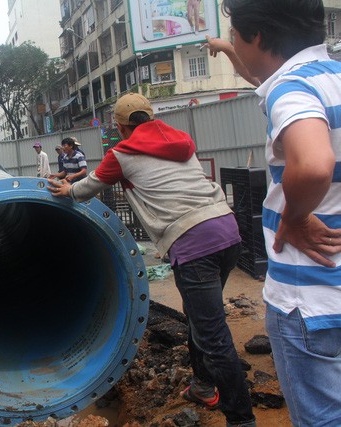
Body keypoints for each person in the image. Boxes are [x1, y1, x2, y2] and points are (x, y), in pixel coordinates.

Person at [48, 93, 256, 427]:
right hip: (226, 229)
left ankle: (241, 419)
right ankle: (203, 386)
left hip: (193, 242)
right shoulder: (181, 141)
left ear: (119, 125)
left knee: (213, 335)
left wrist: (66, 191)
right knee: (200, 317)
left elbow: (89, 188)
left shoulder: (122, 153)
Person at [216, 1, 341, 425]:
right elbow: (258, 74)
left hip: (309, 299)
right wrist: (228, 48)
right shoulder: (333, 79)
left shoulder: (292, 90)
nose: (234, 41)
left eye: (235, 34)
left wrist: (295, 217)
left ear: (260, 37)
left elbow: (313, 163)